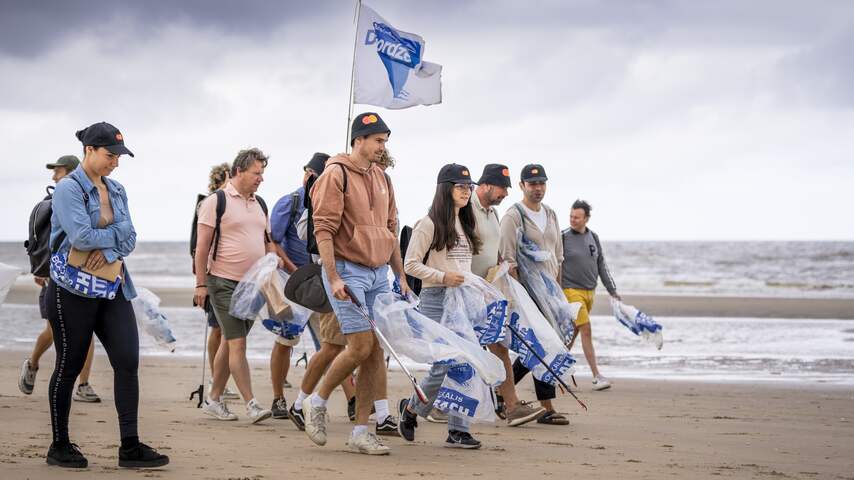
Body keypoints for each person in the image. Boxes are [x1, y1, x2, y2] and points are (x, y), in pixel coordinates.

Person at [45, 122, 168, 468]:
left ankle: (130, 447)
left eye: (119, 156)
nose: (116, 161)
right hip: (71, 290)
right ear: (89, 151)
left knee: (127, 361)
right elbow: (82, 237)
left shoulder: (117, 189)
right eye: (110, 154)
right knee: (68, 366)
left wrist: (112, 250)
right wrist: (115, 236)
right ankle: (60, 444)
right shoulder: (69, 189)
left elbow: (131, 237)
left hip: (113, 287)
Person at [301, 112, 410, 455]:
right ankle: (316, 402)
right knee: (361, 347)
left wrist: (401, 277)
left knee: (375, 352)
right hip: (347, 271)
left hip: (379, 272)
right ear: (358, 140)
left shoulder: (383, 178)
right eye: (377, 140)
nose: (382, 147)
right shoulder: (335, 175)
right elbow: (323, 230)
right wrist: (333, 277)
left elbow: (391, 232)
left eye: (385, 142)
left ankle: (361, 431)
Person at [397, 163, 484, 449]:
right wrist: (442, 276)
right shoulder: (429, 223)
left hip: (461, 300)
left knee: (465, 364)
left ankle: (458, 430)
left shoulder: (466, 222)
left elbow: (464, 266)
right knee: (442, 366)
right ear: (445, 189)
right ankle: (411, 410)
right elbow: (410, 264)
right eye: (461, 187)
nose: (466, 192)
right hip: (436, 300)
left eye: (469, 187)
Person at [194, 148, 275, 424]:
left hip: (253, 285)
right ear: (239, 171)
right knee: (237, 343)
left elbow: (267, 241)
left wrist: (272, 270)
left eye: (262, 173)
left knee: (230, 343)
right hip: (223, 282)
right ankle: (251, 404)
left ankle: (214, 400)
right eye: (256, 173)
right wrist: (201, 285)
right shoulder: (216, 202)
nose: (260, 179)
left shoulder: (260, 203)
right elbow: (201, 247)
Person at [20, 155, 101, 403]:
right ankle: (32, 364)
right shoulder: (51, 203)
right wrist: (39, 270)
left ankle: (83, 384)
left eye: (59, 171)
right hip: (54, 277)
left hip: (84, 276)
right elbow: (42, 241)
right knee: (53, 331)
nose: (54, 176)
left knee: (87, 332)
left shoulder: (87, 200)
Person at [470, 164, 545, 426]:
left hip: (488, 290)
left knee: (499, 346)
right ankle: (424, 404)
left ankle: (511, 406)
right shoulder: (465, 207)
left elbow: (491, 248)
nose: (504, 194)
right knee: (461, 352)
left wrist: (503, 264)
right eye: (502, 188)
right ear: (486, 185)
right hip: (465, 291)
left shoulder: (492, 212)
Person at [498, 164, 569, 426]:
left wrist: (559, 294)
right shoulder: (513, 216)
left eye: (542, 183)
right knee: (541, 346)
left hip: (550, 293)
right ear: (522, 186)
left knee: (543, 346)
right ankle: (546, 407)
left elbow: (558, 257)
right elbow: (507, 259)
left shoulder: (550, 214)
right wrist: (520, 298)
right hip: (526, 292)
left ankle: (501, 391)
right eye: (532, 183)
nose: (538, 188)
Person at [192, 163, 239, 400]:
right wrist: (201, 281)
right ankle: (215, 377)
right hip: (214, 276)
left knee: (224, 330)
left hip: (232, 277)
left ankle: (219, 379)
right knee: (217, 328)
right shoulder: (210, 202)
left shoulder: (236, 204)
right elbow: (197, 245)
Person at [561, 199, 619, 391]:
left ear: (586, 218)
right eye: (571, 216)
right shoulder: (563, 237)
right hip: (570, 291)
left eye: (577, 217)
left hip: (589, 292)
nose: (573, 220)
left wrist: (612, 290)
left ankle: (556, 369)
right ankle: (597, 376)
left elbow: (601, 264)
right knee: (586, 329)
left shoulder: (593, 237)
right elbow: (553, 263)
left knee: (573, 333)